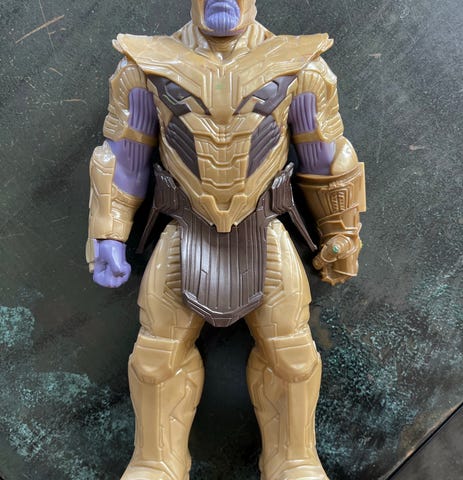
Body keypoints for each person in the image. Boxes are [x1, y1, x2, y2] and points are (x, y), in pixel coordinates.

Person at [86, 1, 366, 479]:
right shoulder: (146, 65)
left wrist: (340, 232)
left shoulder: (300, 65)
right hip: (185, 228)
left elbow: (325, 157)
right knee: (156, 357)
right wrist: (109, 234)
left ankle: (294, 459)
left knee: (291, 355)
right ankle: (156, 461)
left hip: (263, 227)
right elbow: (123, 158)